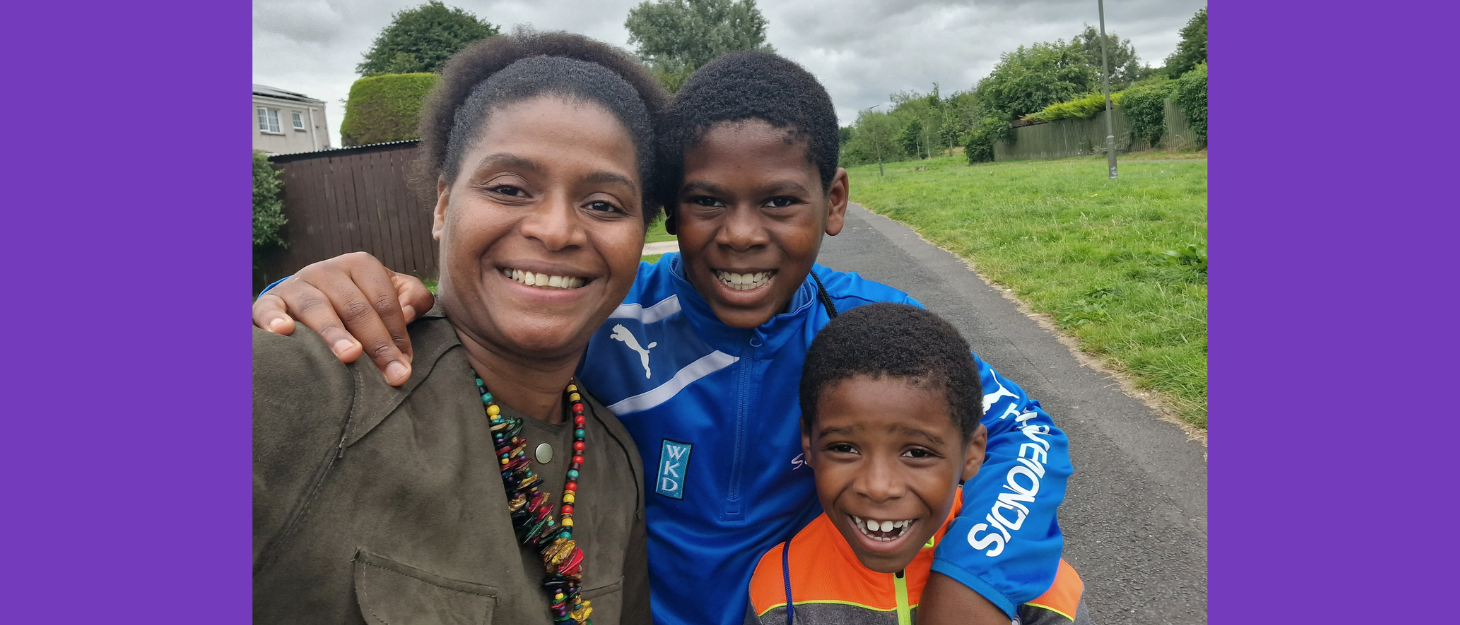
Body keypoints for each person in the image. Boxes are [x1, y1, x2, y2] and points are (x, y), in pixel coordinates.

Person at [254, 51, 1072, 625]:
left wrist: (973, 582)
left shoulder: (867, 332)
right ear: (671, 212)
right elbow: (474, 314)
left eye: (781, 202)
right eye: (708, 201)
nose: (741, 235)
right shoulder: (606, 313)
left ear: (836, 202)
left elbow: (1025, 431)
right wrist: (292, 298)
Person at [252, 32, 668, 624]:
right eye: (508, 189)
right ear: (443, 205)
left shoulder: (613, 464)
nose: (556, 230)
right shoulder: (310, 381)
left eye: (603, 204)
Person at [745, 303, 1089, 625]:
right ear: (809, 443)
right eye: (845, 447)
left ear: (972, 452)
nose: (878, 487)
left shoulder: (1038, 583)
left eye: (917, 452)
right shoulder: (778, 589)